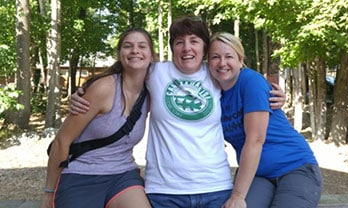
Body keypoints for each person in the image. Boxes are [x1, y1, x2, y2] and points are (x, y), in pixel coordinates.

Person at [69, 16, 287, 207]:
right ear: (173, 47)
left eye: (194, 41)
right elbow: (122, 77)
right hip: (165, 191)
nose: (187, 48)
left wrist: (277, 95)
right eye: (179, 42)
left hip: (215, 187)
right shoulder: (154, 72)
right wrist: (84, 91)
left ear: (204, 48)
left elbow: (243, 81)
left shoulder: (215, 73)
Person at [40, 28, 155, 208]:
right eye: (128, 46)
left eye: (142, 46)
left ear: (152, 55)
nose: (135, 51)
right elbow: (62, 141)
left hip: (122, 174)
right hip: (81, 174)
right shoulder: (104, 88)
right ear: (119, 54)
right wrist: (49, 193)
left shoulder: (152, 91)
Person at [208, 32, 322, 208]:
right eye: (215, 57)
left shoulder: (251, 81)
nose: (222, 63)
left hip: (295, 166)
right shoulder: (210, 91)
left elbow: (256, 139)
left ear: (240, 59)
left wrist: (238, 195)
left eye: (229, 56)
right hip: (258, 174)